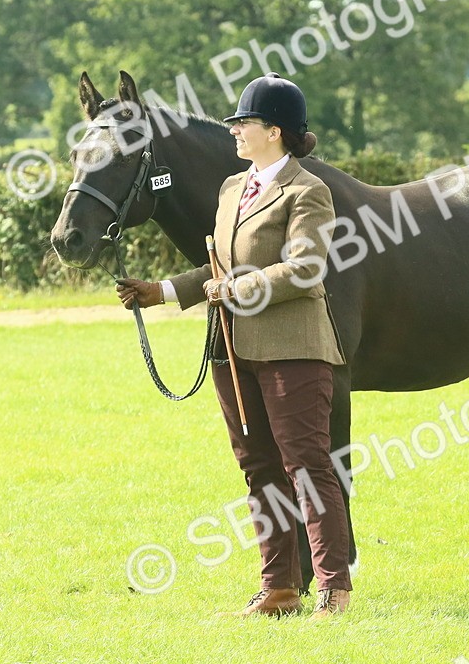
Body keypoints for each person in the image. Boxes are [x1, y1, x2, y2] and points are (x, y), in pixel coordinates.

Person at [116, 72, 351, 618]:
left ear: (275, 132)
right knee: (258, 468)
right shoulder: (230, 189)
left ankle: (334, 589)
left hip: (293, 348)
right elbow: (220, 265)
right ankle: (280, 589)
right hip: (232, 349)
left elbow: (306, 269)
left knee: (307, 465)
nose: (236, 133)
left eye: (244, 124)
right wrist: (165, 291)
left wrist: (233, 289)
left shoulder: (308, 191)